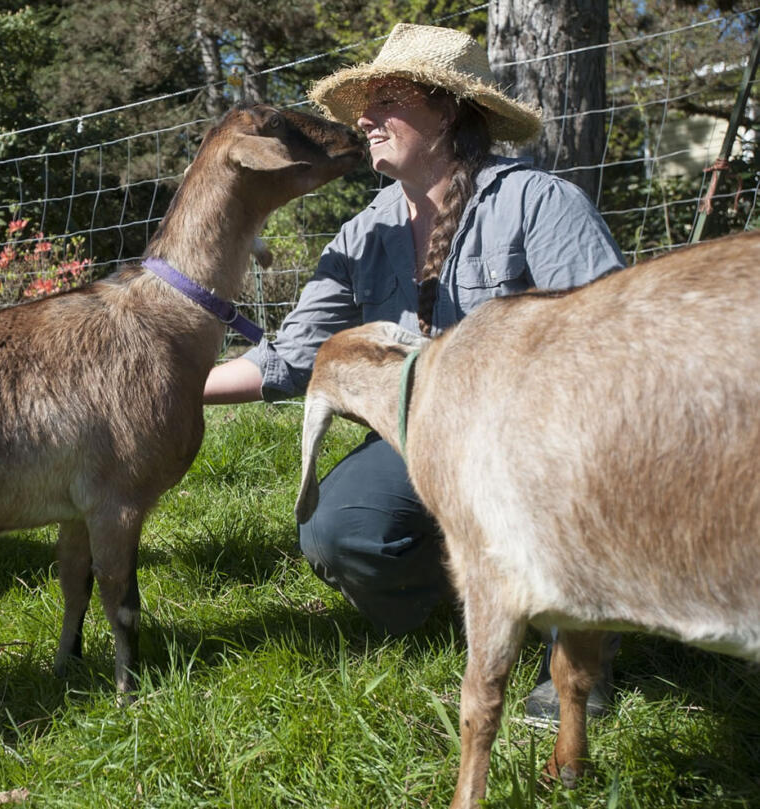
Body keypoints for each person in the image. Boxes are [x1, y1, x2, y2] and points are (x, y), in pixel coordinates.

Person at [203, 23, 625, 722]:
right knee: (336, 530)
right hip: (419, 438)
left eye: (387, 99)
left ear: (449, 108)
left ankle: (579, 650)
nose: (365, 118)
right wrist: (174, 387)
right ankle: (462, 608)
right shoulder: (364, 234)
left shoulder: (539, 207)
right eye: (363, 102)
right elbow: (292, 357)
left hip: (536, 442)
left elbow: (612, 343)